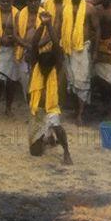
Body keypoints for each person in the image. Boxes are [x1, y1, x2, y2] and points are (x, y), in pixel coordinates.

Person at [28, 9, 72, 165]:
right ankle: (47, 139)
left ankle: (66, 152)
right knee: (35, 153)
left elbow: (56, 43)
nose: (44, 65)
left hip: (51, 107)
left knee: (57, 126)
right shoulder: (36, 65)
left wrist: (49, 25)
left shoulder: (56, 66)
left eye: (48, 62)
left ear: (53, 62)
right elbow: (34, 44)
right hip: (37, 110)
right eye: (42, 61)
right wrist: (42, 25)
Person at [62, 0, 100, 125]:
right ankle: (75, 111)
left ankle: (81, 114)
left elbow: (97, 30)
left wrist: (95, 51)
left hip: (83, 48)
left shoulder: (90, 9)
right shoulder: (66, 8)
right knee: (71, 82)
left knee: (83, 81)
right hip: (67, 48)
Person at [14, 0, 42, 101]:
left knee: (39, 79)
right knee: (25, 80)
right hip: (24, 51)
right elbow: (15, 35)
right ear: (27, 2)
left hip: (41, 51)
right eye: (31, 1)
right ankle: (30, 104)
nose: (33, 3)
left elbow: (48, 36)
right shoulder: (19, 15)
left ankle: (38, 104)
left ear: (39, 1)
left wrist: (35, 48)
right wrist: (28, 47)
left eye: (36, 1)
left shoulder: (45, 14)